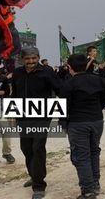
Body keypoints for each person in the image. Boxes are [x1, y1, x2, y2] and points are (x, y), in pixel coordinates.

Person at [12, 46, 63, 199]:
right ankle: (34, 175)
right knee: (26, 147)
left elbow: (60, 90)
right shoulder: (17, 73)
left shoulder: (47, 72)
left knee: (38, 147)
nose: (31, 61)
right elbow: (14, 93)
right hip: (23, 116)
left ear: (39, 57)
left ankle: (39, 185)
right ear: (22, 60)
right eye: (27, 59)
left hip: (42, 116)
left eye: (34, 58)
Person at [61, 53, 105, 198]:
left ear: (69, 67)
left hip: (78, 123)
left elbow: (63, 107)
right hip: (97, 121)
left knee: (81, 157)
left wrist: (64, 124)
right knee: (94, 151)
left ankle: (88, 191)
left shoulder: (68, 84)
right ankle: (95, 184)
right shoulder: (99, 80)